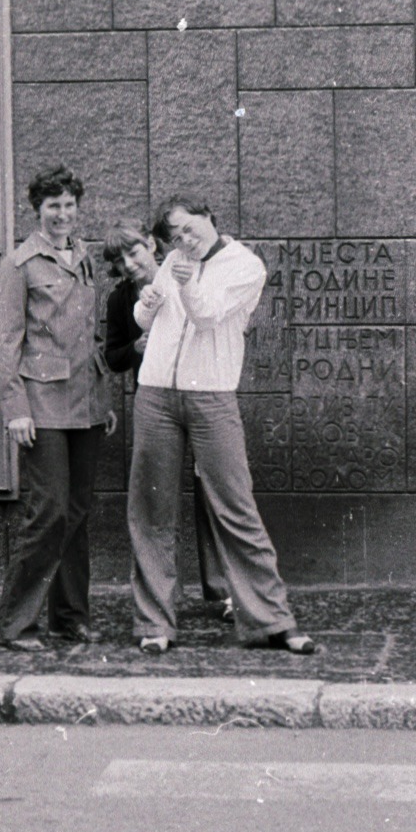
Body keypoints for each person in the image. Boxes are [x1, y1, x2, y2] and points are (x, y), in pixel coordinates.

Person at [126, 190, 314, 655]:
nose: (185, 240)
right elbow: (144, 322)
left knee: (235, 507)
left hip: (211, 395)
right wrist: (147, 304)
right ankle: (155, 623)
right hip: (155, 394)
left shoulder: (246, 265)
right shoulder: (172, 263)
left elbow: (207, 315)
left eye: (191, 228)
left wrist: (186, 282)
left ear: (210, 218)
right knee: (151, 511)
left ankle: (272, 619)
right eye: (175, 235)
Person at [0, 164, 115, 651]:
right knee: (48, 512)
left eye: (69, 206)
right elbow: (6, 344)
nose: (62, 215)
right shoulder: (20, 263)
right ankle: (15, 624)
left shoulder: (84, 257)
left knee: (78, 513)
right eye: (53, 207)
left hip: (85, 404)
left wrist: (102, 400)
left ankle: (71, 618)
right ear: (38, 210)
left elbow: (92, 337)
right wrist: (15, 408)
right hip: (41, 405)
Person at [102, 220, 233, 621]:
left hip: (203, 391)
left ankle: (225, 592)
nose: (129, 263)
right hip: (157, 399)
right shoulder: (121, 298)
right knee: (157, 499)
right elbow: (113, 355)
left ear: (151, 244)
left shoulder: (183, 270)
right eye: (120, 259)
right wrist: (135, 347)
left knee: (213, 491)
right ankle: (162, 598)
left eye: (134, 250)